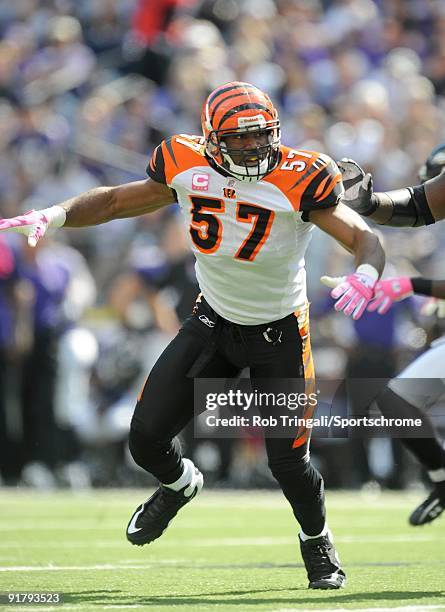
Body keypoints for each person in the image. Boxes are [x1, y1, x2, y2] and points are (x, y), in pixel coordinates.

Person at [0, 82, 386, 589]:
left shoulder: (300, 176)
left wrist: (367, 273)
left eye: (259, 136)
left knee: (288, 461)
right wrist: (57, 215)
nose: (251, 147)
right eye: (238, 138)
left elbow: (365, 238)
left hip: (281, 333)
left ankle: (318, 542)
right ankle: (180, 485)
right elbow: (116, 201)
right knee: (145, 439)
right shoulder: (183, 161)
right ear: (210, 139)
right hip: (213, 323)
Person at [324, 144, 445, 526]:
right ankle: (442, 480)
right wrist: (370, 202)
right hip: (364, 355)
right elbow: (418, 205)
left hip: (382, 351)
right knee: (396, 401)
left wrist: (414, 284)